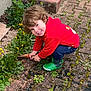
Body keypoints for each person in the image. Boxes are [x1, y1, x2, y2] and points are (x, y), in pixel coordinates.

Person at [22, 5, 80, 71]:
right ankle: (52, 54)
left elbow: (49, 49)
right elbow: (39, 39)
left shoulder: (51, 34)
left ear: (43, 19)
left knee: (56, 50)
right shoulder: (45, 25)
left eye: (37, 25)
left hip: (71, 44)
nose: (36, 30)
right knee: (49, 44)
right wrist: (34, 51)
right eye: (32, 29)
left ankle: (57, 63)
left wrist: (39, 56)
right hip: (65, 37)